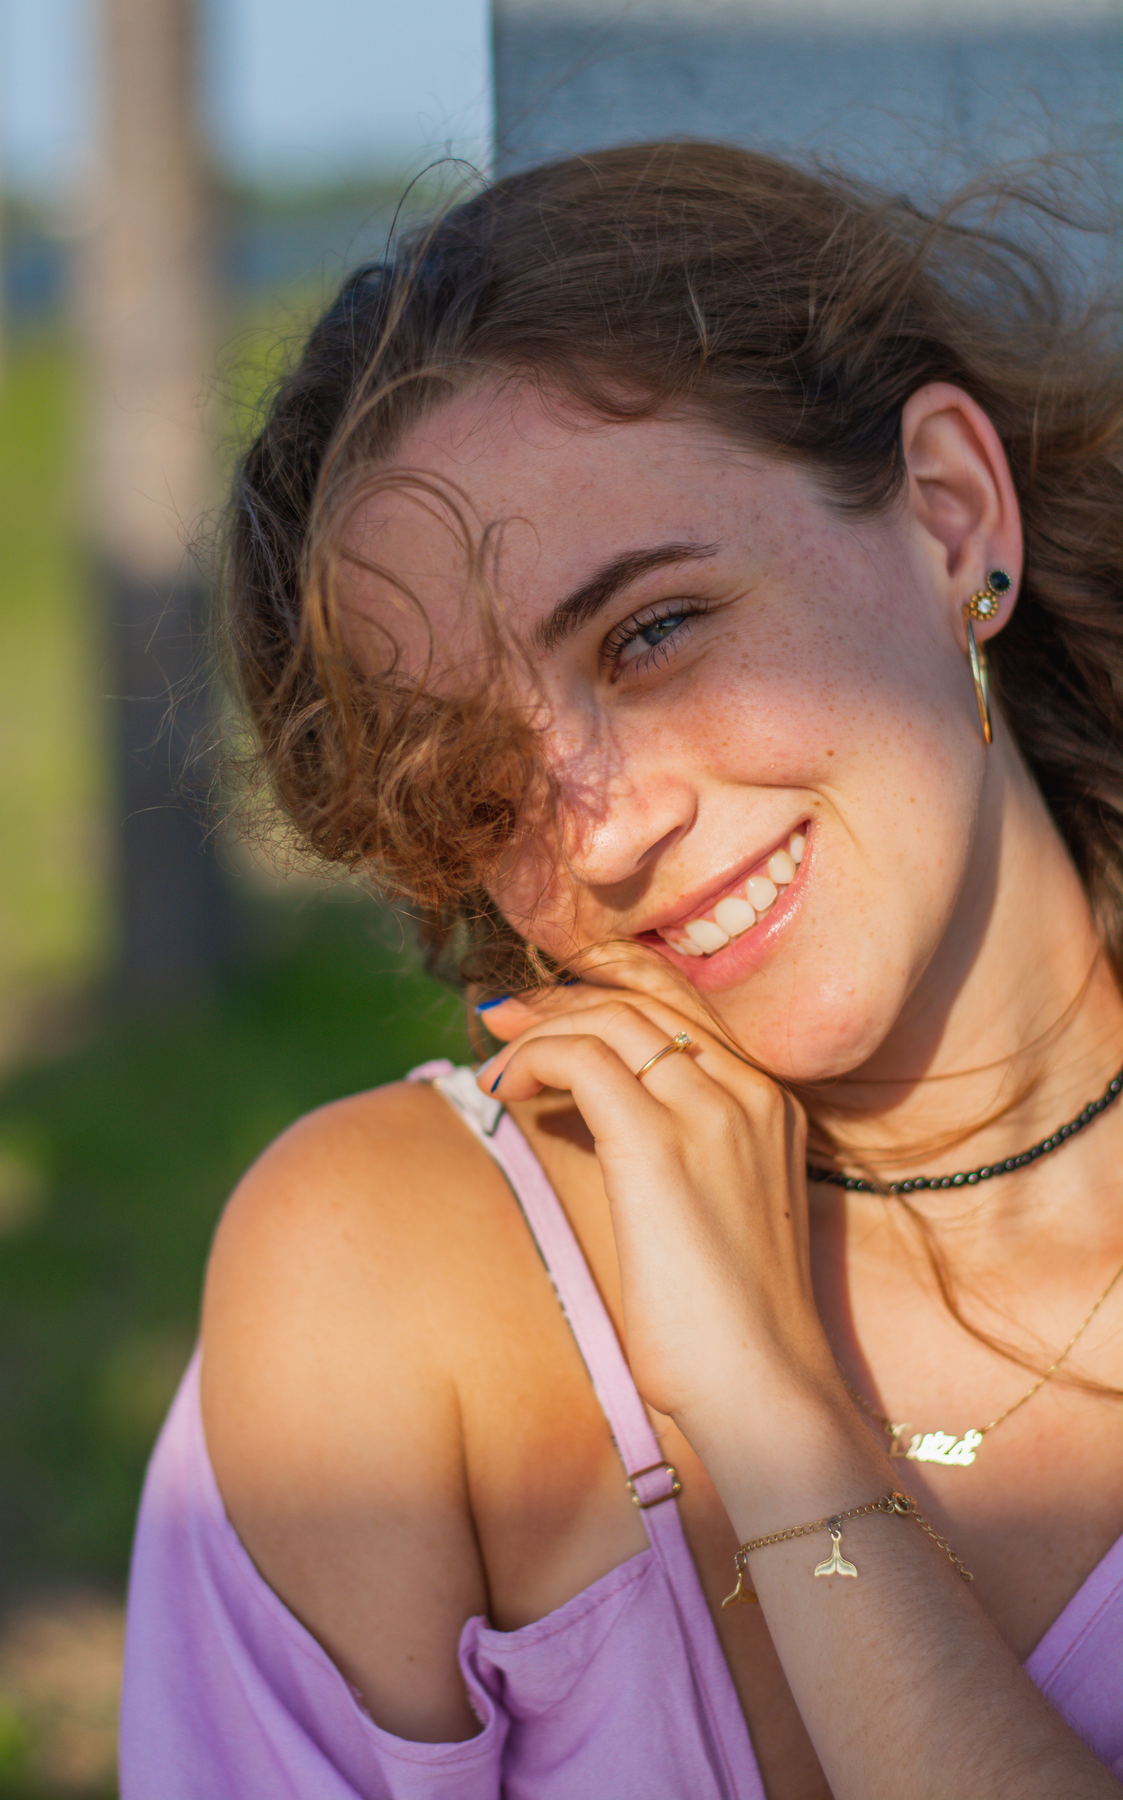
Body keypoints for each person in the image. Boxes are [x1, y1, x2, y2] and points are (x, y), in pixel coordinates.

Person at [119, 142, 1123, 1798]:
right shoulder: (398, 1290)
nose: (599, 836)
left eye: (652, 633)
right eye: (479, 782)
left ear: (951, 515)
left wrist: (776, 1428)